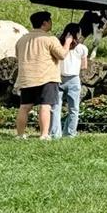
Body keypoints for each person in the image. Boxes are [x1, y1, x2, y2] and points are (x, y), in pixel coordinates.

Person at [14, 11, 71, 140]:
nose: (51, 23)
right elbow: (61, 55)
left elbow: (18, 56)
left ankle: (20, 134)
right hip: (47, 77)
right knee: (45, 105)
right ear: (44, 23)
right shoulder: (50, 38)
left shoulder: (22, 39)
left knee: (24, 107)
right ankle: (44, 134)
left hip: (26, 77)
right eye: (50, 20)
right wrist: (67, 42)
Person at [50, 23, 89, 139]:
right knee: (74, 108)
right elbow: (84, 66)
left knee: (56, 107)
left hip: (58, 78)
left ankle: (55, 133)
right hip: (74, 79)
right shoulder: (82, 48)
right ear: (78, 34)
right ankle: (70, 133)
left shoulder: (59, 46)